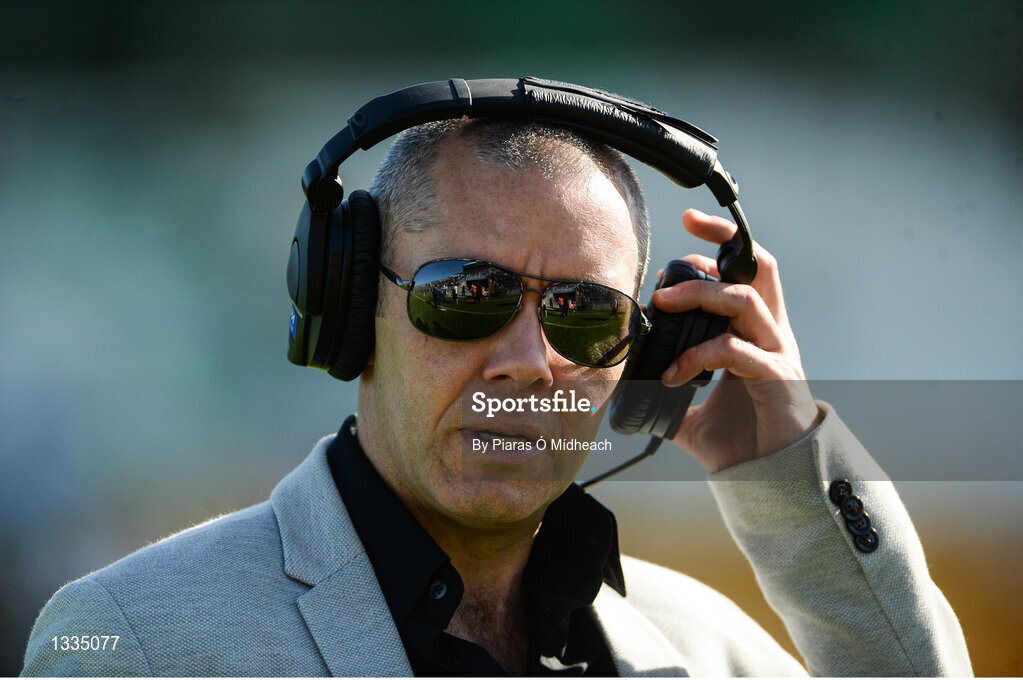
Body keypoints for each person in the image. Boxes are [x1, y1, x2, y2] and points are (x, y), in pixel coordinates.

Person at [21, 116, 972, 676]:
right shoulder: (136, 640)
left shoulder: (708, 647)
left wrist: (792, 473)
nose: (529, 362)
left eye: (584, 313)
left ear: (647, 357)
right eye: (466, 296)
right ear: (352, 310)